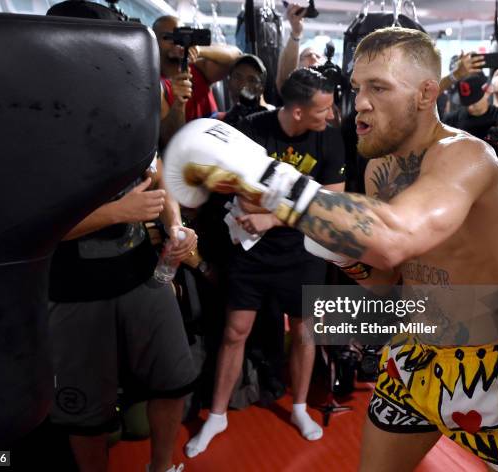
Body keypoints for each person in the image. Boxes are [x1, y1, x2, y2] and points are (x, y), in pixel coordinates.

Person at [163, 27, 498, 472]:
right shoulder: (380, 166)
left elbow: (396, 236)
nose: (360, 101)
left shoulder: (466, 156)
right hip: (411, 349)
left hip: (482, 359)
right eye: (359, 87)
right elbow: (386, 277)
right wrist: (344, 254)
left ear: (425, 93)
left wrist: (267, 180)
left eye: (378, 87)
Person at [46, 4, 198, 472]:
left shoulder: (128, 105)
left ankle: (161, 466)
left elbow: (153, 177)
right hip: (74, 288)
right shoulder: (42, 120)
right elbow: (31, 228)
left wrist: (174, 225)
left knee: (175, 380)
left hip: (141, 274)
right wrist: (116, 212)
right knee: (87, 412)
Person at [184, 68, 345, 458]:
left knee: (305, 330)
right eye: (322, 109)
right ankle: (218, 415)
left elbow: (331, 202)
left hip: (303, 252)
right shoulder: (252, 130)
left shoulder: (330, 138)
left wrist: (273, 215)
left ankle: (301, 408)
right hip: (250, 251)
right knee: (235, 331)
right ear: (296, 112)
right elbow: (236, 190)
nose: (331, 115)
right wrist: (290, 202)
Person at [153, 15, 241, 146]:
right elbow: (169, 139)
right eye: (167, 37)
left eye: (179, 36)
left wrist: (200, 50)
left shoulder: (197, 68)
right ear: (153, 42)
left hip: (216, 144)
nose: (175, 42)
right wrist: (179, 103)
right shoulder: (155, 84)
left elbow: (236, 56)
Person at [275, 3, 323, 92]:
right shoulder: (294, 94)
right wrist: (296, 33)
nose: (313, 58)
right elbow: (286, 80)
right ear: (297, 65)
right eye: (307, 55)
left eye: (318, 56)